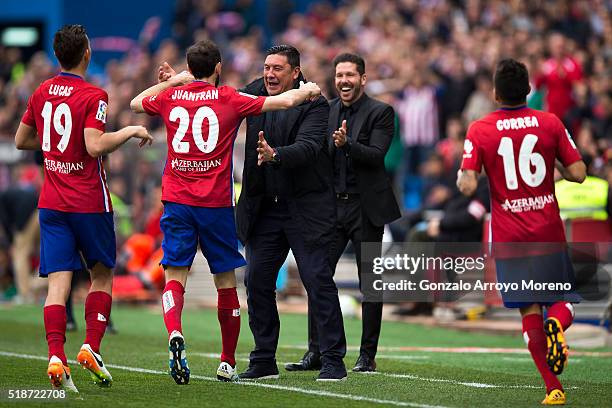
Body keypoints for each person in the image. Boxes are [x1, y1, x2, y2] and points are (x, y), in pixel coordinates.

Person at [130, 40, 322, 384]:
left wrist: (175, 82)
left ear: (190, 67)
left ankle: (175, 331)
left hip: (177, 199)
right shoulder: (230, 98)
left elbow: (133, 103)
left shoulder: (171, 96)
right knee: (225, 282)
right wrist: (310, 89)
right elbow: (286, 100)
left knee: (175, 275)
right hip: (215, 204)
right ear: (218, 68)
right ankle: (227, 361)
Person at [14, 24, 153, 392]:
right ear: (87, 54)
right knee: (102, 275)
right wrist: (130, 131)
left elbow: (20, 139)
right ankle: (91, 345)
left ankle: (56, 355)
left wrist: (54, 149)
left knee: (57, 284)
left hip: (53, 203)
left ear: (59, 55)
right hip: (89, 201)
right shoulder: (95, 94)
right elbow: (94, 145)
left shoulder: (42, 91)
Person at [457, 59, 586, 405]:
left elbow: (468, 185)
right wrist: (553, 157)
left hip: (510, 234)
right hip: (546, 227)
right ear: (530, 90)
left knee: (528, 310)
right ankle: (557, 324)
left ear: (495, 93)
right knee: (562, 300)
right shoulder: (550, 123)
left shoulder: (480, 129)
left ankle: (553, 388)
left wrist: (465, 175)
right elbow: (578, 173)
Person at [235, 45, 347, 381]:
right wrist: (183, 82)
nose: (269, 74)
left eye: (278, 69)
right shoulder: (256, 90)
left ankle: (333, 361)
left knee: (318, 281)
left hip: (305, 208)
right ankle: (263, 360)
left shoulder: (314, 102)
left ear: (295, 73)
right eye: (267, 67)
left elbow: (311, 147)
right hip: (265, 208)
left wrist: (275, 155)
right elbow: (218, 95)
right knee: (256, 281)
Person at [285, 53, 400, 373]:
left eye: (350, 75)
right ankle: (316, 352)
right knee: (316, 276)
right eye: (339, 76)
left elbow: (378, 156)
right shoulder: (327, 110)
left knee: (370, 286)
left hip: (366, 208)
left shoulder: (382, 112)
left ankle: (367, 356)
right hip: (330, 207)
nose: (344, 81)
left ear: (363, 79)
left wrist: (347, 144)